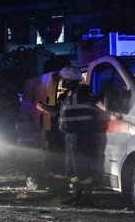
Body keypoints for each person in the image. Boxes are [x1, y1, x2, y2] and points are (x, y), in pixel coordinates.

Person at [36, 66, 97, 207]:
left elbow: (97, 102)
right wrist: (43, 107)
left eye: (63, 78)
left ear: (69, 79)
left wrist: (113, 112)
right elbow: (57, 111)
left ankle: (88, 197)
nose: (62, 81)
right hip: (69, 134)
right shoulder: (64, 96)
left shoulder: (83, 91)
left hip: (81, 134)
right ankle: (77, 194)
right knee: (71, 167)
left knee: (81, 166)